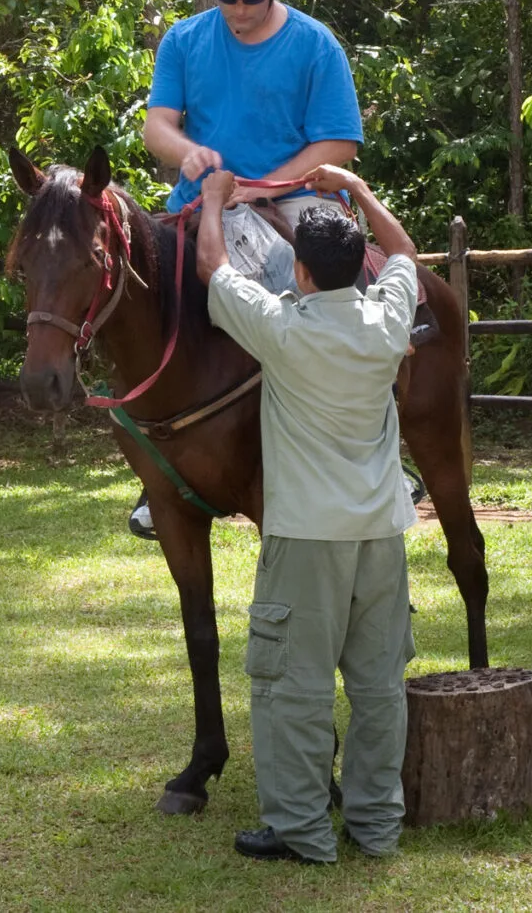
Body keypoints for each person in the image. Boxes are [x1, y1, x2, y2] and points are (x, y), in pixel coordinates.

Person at [198, 164, 419, 866]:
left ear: (296, 267)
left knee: (294, 685)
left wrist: (209, 201)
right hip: (382, 534)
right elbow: (408, 252)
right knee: (379, 685)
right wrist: (356, 188)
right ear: (361, 265)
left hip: (305, 537)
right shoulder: (387, 320)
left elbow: (211, 265)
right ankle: (377, 824)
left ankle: (301, 829)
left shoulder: (281, 329)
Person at [126, 0, 365, 541]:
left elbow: (339, 143)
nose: (237, 9)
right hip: (204, 202)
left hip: (291, 200)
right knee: (144, 308)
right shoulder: (183, 40)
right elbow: (157, 124)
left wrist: (266, 184)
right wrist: (187, 155)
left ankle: (365, 452)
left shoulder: (316, 45)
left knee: (328, 294)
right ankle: (161, 470)